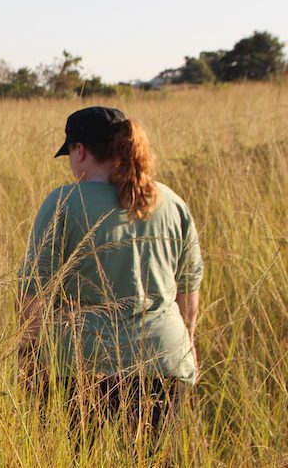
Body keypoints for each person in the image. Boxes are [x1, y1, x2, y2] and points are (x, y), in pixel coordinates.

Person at [18, 107, 203, 447]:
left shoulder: (63, 202)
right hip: (164, 360)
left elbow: (34, 291)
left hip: (81, 365)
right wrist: (187, 343)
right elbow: (188, 288)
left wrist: (28, 355)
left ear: (80, 150)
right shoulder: (171, 201)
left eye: (70, 154)